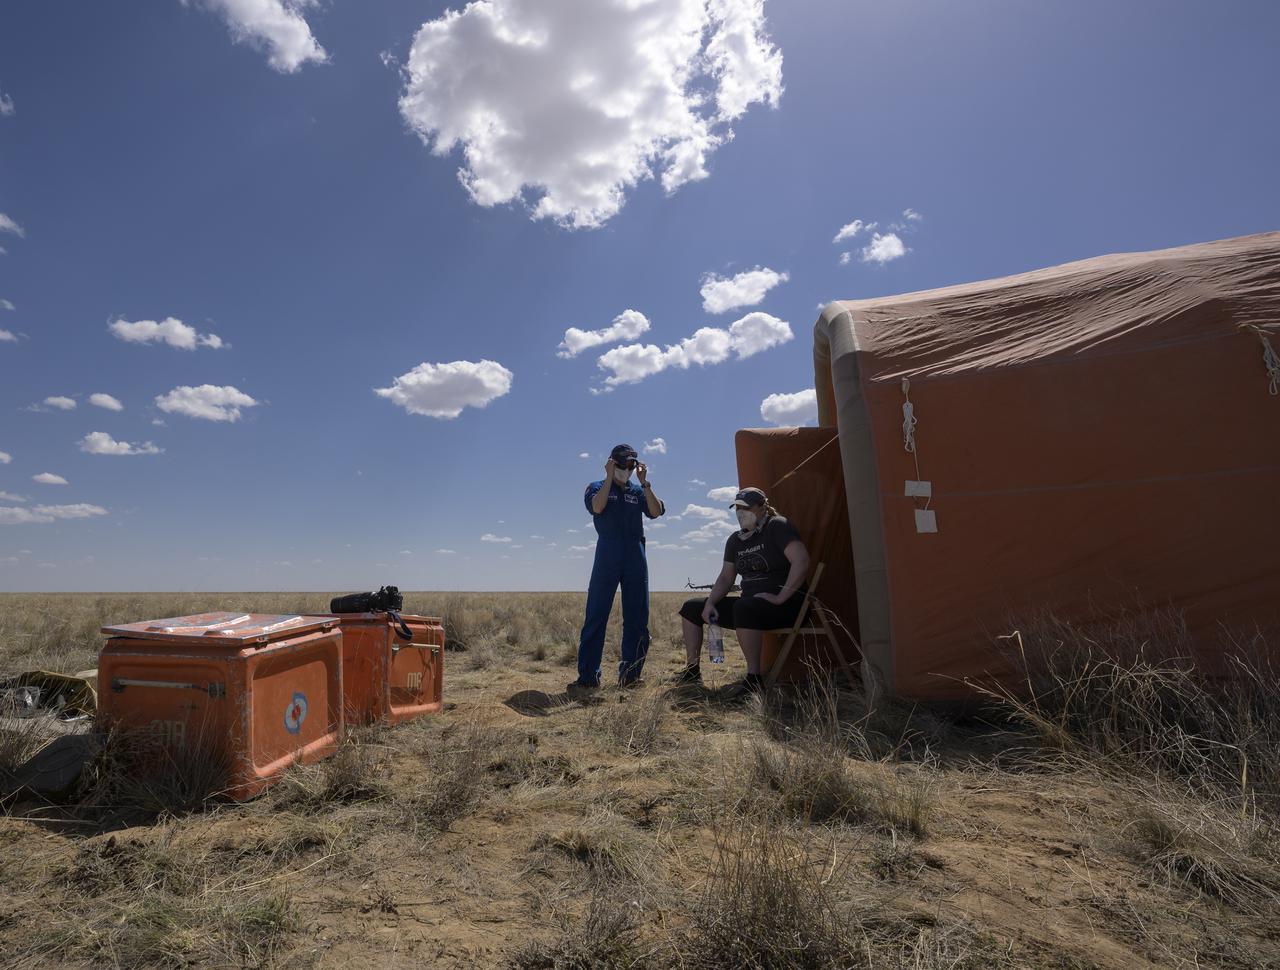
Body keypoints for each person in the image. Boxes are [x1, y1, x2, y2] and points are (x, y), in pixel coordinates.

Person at [676, 487, 810, 694]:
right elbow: (726, 577)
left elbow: (801, 560)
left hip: (786, 605)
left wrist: (780, 597)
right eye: (737, 508)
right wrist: (710, 603)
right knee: (692, 607)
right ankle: (692, 669)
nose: (740, 512)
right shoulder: (736, 540)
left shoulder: (777, 526)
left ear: (762, 507)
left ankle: (754, 679)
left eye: (746, 507)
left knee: (744, 607)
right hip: (751, 607)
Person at [570, 443, 666, 693]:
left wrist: (645, 483)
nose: (628, 469)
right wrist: (610, 478)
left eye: (632, 464)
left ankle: (631, 676)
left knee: (637, 618)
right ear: (612, 463)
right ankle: (588, 677)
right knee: (596, 615)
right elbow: (598, 507)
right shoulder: (596, 487)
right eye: (622, 463)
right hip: (607, 555)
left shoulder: (638, 491)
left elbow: (656, 512)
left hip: (635, 554)